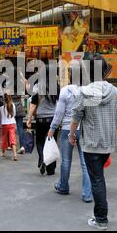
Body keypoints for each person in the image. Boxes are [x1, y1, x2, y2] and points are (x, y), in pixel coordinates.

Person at [69, 54, 117, 230]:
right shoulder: (114, 91)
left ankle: (101, 218)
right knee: (99, 177)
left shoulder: (85, 91)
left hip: (91, 143)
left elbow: (76, 116)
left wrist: (71, 134)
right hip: (108, 142)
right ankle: (100, 215)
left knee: (97, 179)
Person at [48, 67, 92, 203]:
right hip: (83, 129)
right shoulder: (88, 91)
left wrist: (53, 128)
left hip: (68, 128)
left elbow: (59, 113)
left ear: (71, 76)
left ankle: (63, 186)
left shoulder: (65, 91)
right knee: (85, 163)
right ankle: (87, 194)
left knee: (66, 161)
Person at [26, 66, 59, 176]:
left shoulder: (38, 86)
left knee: (40, 141)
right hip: (53, 119)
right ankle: (51, 169)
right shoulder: (56, 87)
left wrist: (29, 119)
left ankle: (42, 158)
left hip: (40, 118)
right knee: (52, 142)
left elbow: (33, 104)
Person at [0, 93, 18, 161]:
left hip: (4, 124)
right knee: (12, 138)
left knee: (4, 139)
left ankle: (2, 152)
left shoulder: (1, 106)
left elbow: (0, 115)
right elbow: (14, 114)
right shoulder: (13, 105)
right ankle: (15, 154)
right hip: (12, 123)